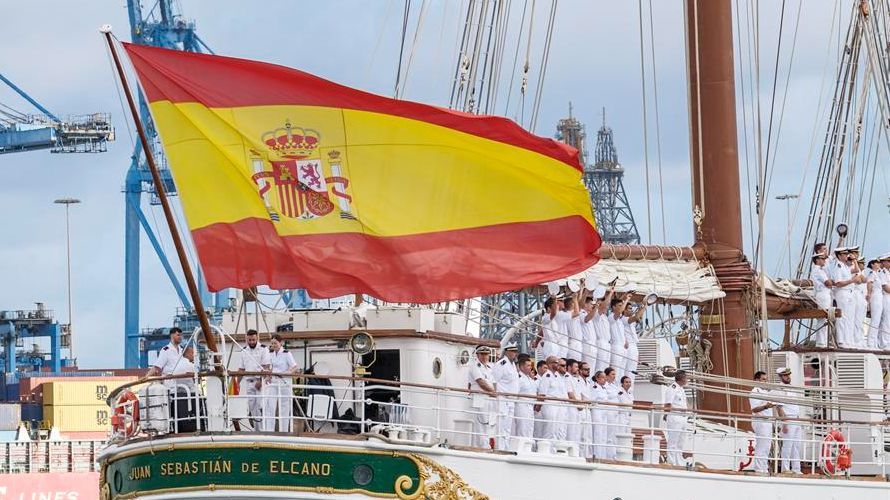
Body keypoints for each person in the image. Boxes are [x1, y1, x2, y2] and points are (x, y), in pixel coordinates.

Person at [263, 334, 300, 432]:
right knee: (270, 406)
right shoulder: (271, 354)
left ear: (281, 343)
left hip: (284, 382)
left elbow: (295, 367)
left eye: (275, 343)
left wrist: (286, 373)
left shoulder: (286, 353)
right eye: (272, 343)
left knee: (284, 407)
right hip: (274, 382)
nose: (273, 345)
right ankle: (269, 430)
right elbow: (270, 368)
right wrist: (268, 376)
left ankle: (284, 431)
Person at [237, 329, 271, 430]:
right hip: (249, 382)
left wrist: (261, 381)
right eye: (249, 340)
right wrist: (237, 383)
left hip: (260, 382)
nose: (251, 342)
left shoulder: (263, 349)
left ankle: (263, 430)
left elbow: (266, 367)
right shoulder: (244, 351)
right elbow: (241, 369)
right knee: (252, 407)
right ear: (246, 339)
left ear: (257, 338)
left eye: (253, 340)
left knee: (261, 406)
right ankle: (257, 430)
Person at [773, 367, 802, 474]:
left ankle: (796, 469)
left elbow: (795, 405)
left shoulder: (791, 388)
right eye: (785, 375)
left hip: (796, 419)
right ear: (780, 376)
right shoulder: (779, 389)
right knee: (788, 445)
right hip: (788, 419)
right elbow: (779, 407)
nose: (788, 377)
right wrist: (784, 423)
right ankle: (785, 468)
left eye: (789, 375)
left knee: (796, 446)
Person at [467, 345, 496, 449]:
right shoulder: (475, 366)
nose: (485, 357)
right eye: (482, 354)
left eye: (486, 354)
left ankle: (485, 444)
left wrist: (494, 392)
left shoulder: (488, 368)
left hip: (488, 398)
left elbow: (493, 382)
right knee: (480, 423)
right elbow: (480, 382)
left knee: (487, 422)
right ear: (477, 355)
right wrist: (493, 392)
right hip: (479, 398)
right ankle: (480, 446)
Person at [492, 344, 520, 450]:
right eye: (512, 351)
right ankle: (500, 447)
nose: (515, 354)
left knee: (508, 426)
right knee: (501, 425)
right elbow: (494, 380)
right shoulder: (501, 364)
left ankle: (506, 447)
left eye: (515, 352)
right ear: (507, 352)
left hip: (511, 400)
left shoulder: (512, 365)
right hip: (503, 399)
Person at [829, 248, 858, 348]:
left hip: (849, 292)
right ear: (839, 255)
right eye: (845, 254)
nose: (847, 256)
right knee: (842, 317)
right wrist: (851, 281)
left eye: (847, 254)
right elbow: (838, 283)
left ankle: (848, 340)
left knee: (849, 317)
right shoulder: (838, 267)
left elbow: (856, 270)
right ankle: (841, 340)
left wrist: (854, 260)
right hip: (842, 293)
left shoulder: (845, 266)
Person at [536, 356, 568, 445]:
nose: (557, 364)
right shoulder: (547, 375)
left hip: (558, 405)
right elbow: (542, 394)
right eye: (555, 362)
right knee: (549, 428)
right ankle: (545, 448)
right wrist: (538, 407)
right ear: (549, 364)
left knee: (556, 429)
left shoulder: (557, 376)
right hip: (549, 405)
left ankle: (553, 450)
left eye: (557, 362)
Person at [749, 370, 775, 474]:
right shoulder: (754, 392)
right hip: (760, 421)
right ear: (756, 380)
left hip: (767, 421)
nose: (765, 381)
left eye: (765, 380)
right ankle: (759, 469)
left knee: (767, 446)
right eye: (763, 379)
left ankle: (764, 468)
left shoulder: (765, 392)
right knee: (761, 445)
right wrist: (765, 406)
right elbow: (754, 409)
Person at [664, 370, 689, 466]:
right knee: (673, 441)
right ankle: (671, 462)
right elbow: (667, 405)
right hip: (675, 417)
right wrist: (679, 410)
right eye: (686, 378)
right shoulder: (672, 388)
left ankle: (679, 462)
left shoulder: (681, 389)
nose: (687, 380)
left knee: (680, 442)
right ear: (681, 378)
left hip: (683, 418)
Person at [810, 253, 833, 348]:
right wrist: (831, 282)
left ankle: (823, 341)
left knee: (824, 318)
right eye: (822, 259)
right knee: (822, 318)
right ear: (817, 260)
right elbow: (828, 283)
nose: (824, 261)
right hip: (822, 294)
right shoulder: (818, 271)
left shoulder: (820, 270)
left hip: (825, 294)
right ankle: (821, 342)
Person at [623, 301, 649, 382]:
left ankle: (630, 391)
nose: (631, 310)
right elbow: (637, 316)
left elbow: (638, 317)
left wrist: (641, 308)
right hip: (628, 347)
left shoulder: (630, 320)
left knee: (633, 373)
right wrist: (645, 306)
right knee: (629, 372)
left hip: (633, 346)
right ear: (624, 310)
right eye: (629, 309)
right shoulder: (624, 319)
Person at [514, 355, 537, 440]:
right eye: (528, 365)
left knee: (529, 430)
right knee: (522, 430)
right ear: (522, 366)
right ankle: (520, 450)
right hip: (522, 406)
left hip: (530, 407)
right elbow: (515, 393)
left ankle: (527, 450)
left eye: (531, 365)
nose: (530, 367)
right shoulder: (518, 378)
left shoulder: (529, 379)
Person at [577, 362, 595, 460]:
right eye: (585, 369)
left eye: (588, 369)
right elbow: (582, 396)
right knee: (581, 435)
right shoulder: (578, 381)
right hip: (581, 409)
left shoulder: (588, 382)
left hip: (588, 409)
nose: (588, 371)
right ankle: (581, 456)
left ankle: (587, 456)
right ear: (580, 370)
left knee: (588, 435)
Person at [590, 370, 609, 459]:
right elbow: (593, 400)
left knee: (603, 434)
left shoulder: (603, 388)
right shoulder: (594, 387)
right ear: (597, 378)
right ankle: (596, 455)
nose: (605, 380)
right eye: (603, 378)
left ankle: (602, 455)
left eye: (605, 378)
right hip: (597, 411)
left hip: (603, 412)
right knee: (597, 433)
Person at [603, 366, 621, 459]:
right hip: (609, 411)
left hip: (615, 412)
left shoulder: (614, 386)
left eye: (615, 374)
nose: (614, 376)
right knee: (608, 435)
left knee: (614, 434)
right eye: (612, 374)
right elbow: (607, 397)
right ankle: (608, 456)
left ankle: (613, 455)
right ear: (606, 376)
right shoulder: (604, 386)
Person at [866, 259, 884, 350]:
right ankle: (870, 342)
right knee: (875, 320)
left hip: (879, 296)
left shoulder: (877, 274)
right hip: (875, 296)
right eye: (877, 263)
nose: (878, 264)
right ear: (872, 264)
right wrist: (869, 294)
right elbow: (869, 284)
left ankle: (874, 342)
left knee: (878, 320)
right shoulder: (872, 274)